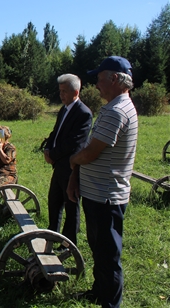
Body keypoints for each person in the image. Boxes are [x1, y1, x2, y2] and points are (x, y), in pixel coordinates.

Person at [68, 56, 138, 308]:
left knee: (108, 256)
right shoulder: (114, 107)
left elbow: (90, 152)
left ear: (115, 79)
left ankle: (110, 303)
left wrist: (73, 160)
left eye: (99, 78)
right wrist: (77, 172)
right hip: (98, 192)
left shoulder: (117, 111)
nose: (96, 84)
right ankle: (99, 291)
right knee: (99, 249)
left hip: (106, 196)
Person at [44, 74, 92, 246]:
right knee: (54, 200)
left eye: (65, 91)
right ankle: (52, 234)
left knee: (71, 204)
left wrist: (54, 155)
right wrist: (47, 148)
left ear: (76, 91)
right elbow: (55, 133)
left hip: (71, 167)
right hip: (58, 165)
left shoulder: (83, 113)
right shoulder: (64, 109)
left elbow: (74, 142)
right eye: (60, 91)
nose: (61, 95)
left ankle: (69, 243)